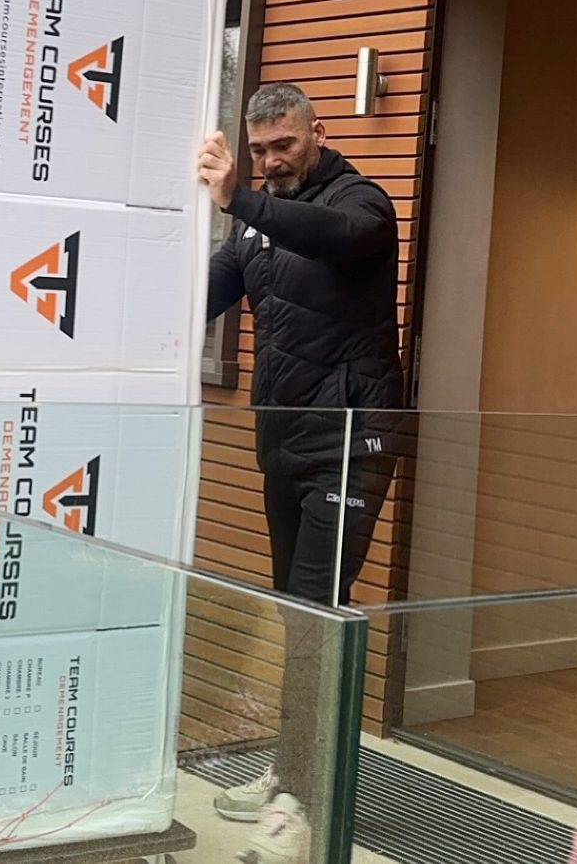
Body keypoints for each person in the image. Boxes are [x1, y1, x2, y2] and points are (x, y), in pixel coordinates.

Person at [199, 82, 404, 864]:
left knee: (317, 610)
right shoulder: (253, 229)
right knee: (297, 613)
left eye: (283, 145)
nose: (270, 161)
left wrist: (240, 198)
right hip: (282, 440)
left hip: (351, 441)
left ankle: (304, 801)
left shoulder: (362, 204)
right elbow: (199, 296)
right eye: (257, 151)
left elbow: (331, 237)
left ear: (316, 133)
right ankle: (292, 771)